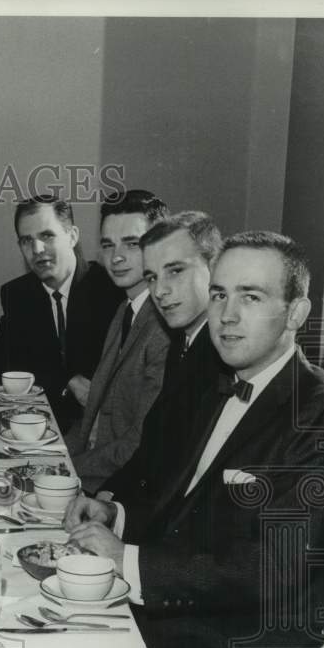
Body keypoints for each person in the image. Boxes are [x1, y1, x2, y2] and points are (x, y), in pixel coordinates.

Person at [64, 232, 324, 648]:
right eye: (220, 294)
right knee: (45, 643)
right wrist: (118, 517)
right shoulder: (217, 383)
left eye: (251, 296)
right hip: (173, 618)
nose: (226, 315)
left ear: (296, 314)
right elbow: (181, 504)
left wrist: (129, 564)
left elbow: (272, 567)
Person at [100, 211, 228, 501]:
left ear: (215, 266)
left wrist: (118, 514)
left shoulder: (223, 357)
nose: (160, 290)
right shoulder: (183, 342)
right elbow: (152, 446)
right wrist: (110, 494)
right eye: (152, 277)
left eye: (175, 271)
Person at [66, 189, 171, 493]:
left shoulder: (164, 328)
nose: (117, 257)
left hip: (124, 490)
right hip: (96, 474)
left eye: (132, 244)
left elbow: (140, 444)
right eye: (108, 245)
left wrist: (68, 471)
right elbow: (94, 413)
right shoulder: (125, 309)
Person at [0, 194, 123, 431]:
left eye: (47, 235)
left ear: (72, 236)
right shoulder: (16, 295)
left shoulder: (111, 290)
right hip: (40, 424)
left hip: (102, 427)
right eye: (26, 240)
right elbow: (9, 368)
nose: (37, 249)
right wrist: (67, 381)